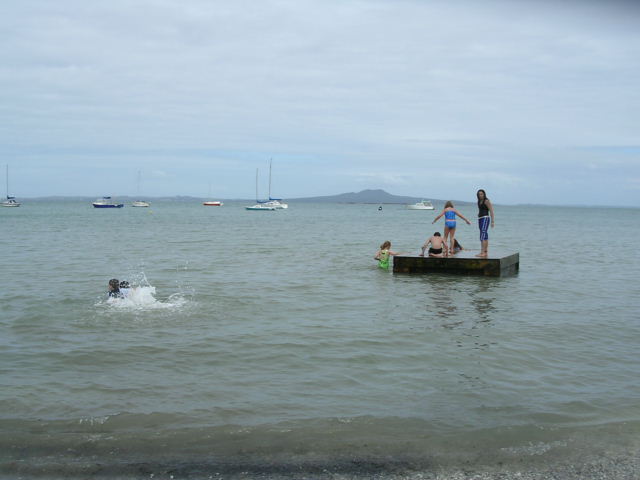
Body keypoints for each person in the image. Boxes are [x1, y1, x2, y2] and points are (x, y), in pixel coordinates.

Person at [476, 189, 495, 258]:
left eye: (481, 194)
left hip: (485, 218)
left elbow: (491, 211)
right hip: (480, 219)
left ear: (484, 194)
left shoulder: (486, 201)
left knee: (483, 235)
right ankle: (485, 252)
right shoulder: (479, 201)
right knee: (483, 235)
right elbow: (481, 209)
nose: (480, 195)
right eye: (479, 194)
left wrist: (492, 221)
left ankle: (482, 252)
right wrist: (478, 214)